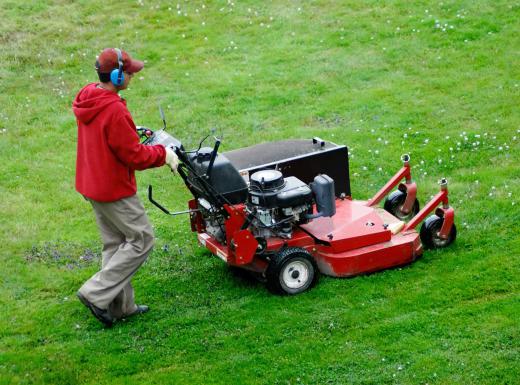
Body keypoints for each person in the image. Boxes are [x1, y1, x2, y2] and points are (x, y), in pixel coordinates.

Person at [72, 48, 178, 327]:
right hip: (114, 190)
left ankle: (120, 307)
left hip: (92, 184)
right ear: (117, 76)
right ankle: (95, 293)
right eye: (129, 72)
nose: (132, 77)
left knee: (115, 244)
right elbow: (134, 156)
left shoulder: (89, 96)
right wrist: (163, 154)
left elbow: (113, 140)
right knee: (142, 239)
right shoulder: (114, 109)